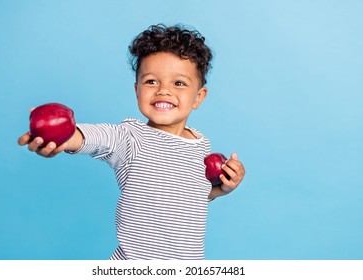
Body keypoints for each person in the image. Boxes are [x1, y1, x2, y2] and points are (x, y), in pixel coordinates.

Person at [18, 24, 245, 260]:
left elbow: (182, 195)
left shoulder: (201, 146)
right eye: (151, 82)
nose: (163, 91)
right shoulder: (130, 138)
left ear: (199, 97)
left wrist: (219, 190)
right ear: (137, 90)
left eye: (178, 83)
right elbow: (94, 137)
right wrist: (63, 136)